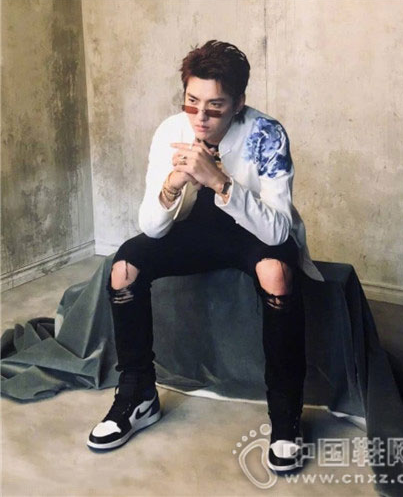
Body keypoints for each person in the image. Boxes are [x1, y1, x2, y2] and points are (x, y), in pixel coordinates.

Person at [87, 40, 324, 472]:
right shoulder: (170, 131)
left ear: (238, 103)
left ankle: (286, 414)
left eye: (215, 107)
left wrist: (219, 182)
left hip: (254, 228)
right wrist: (174, 183)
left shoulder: (266, 133)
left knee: (276, 274)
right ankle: (138, 395)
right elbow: (152, 228)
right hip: (196, 227)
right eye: (192, 102)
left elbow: (277, 230)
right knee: (124, 268)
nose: (200, 117)